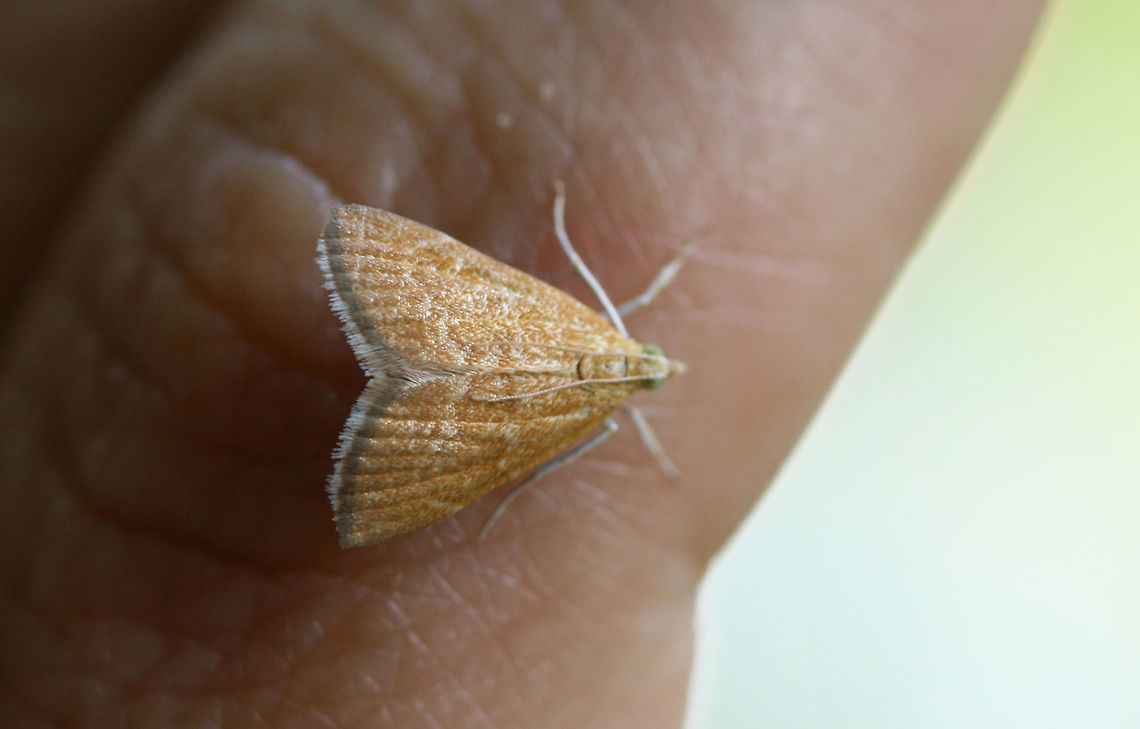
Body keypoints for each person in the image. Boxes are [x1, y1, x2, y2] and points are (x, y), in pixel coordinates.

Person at [0, 1, 1044, 726]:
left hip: (515, 343)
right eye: (653, 368)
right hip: (517, 398)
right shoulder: (606, 405)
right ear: (645, 369)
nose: (654, 368)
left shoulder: (598, 338)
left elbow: (592, 288)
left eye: (651, 368)